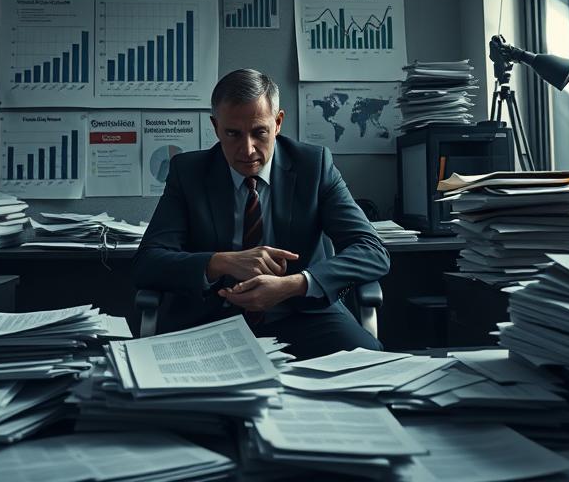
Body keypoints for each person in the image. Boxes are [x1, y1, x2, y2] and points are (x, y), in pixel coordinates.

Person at [133, 68, 389, 359]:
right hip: (210, 320)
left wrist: (294, 285)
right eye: (232, 134)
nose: (248, 149)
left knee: (370, 364)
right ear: (216, 127)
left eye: (259, 132)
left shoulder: (313, 166)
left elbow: (371, 251)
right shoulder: (188, 173)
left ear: (278, 123)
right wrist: (222, 262)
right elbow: (147, 263)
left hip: (304, 316)